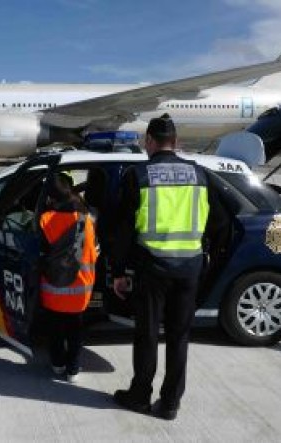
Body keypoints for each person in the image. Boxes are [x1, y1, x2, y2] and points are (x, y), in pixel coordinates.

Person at [111, 113, 210, 420]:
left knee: (148, 334)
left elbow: (123, 230)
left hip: (152, 267)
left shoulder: (138, 175)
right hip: (189, 267)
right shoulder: (199, 174)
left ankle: (140, 396)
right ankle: (170, 404)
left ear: (149, 142)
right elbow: (216, 221)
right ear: (176, 142)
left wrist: (118, 271)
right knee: (179, 337)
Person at [39, 172, 98, 383]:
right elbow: (93, 252)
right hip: (80, 287)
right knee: (75, 330)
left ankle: (57, 363)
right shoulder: (86, 220)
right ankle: (73, 369)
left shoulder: (44, 219)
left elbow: (41, 253)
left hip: (53, 287)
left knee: (55, 328)